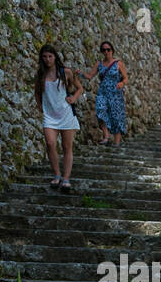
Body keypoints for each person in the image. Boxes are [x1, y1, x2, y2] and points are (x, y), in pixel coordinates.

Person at [35, 44, 82, 191]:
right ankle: (57, 174)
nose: (47, 59)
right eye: (44, 56)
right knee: (50, 143)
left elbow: (79, 88)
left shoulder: (65, 72)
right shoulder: (40, 74)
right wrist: (40, 106)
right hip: (49, 116)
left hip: (66, 114)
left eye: (50, 56)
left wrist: (73, 98)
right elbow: (37, 92)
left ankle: (66, 178)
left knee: (67, 147)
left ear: (55, 57)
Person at [76, 41, 128, 146]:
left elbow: (126, 78)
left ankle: (117, 142)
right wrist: (81, 74)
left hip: (115, 93)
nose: (106, 52)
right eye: (104, 50)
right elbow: (90, 76)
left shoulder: (118, 63)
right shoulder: (99, 64)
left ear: (112, 50)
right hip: (103, 92)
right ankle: (106, 136)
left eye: (108, 49)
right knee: (100, 111)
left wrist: (122, 83)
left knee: (116, 116)